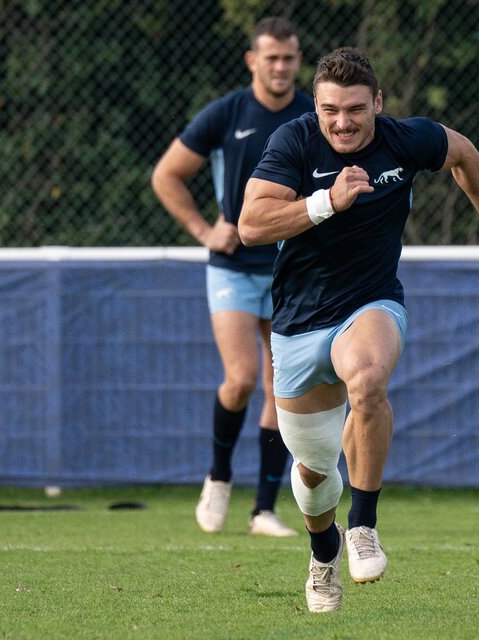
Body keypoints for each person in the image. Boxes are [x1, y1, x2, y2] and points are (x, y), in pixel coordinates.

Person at [239, 47, 479, 611]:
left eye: (355, 109)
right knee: (314, 470)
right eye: (330, 111)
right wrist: (327, 202)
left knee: (368, 381)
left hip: (370, 302)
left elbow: (463, 153)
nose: (342, 122)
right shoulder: (293, 142)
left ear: (378, 104)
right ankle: (325, 551)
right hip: (298, 323)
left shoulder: (406, 139)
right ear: (315, 107)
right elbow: (251, 225)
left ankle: (364, 523)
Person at [151, 17, 312, 538]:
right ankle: (219, 476)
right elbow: (166, 174)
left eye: (288, 58)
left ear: (298, 60)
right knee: (241, 378)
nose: (280, 67)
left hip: (290, 269)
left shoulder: (313, 114)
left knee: (282, 389)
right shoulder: (227, 112)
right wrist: (204, 230)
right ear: (252, 61)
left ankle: (263, 510)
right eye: (271, 58)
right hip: (234, 270)